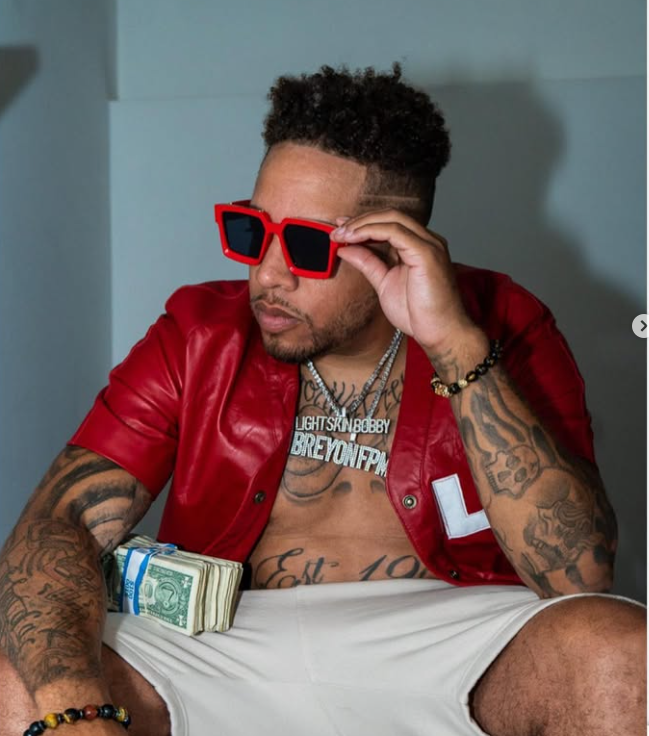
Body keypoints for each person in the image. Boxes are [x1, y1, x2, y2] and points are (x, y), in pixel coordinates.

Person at [0, 64, 645, 736]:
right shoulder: (200, 334)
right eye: (252, 231)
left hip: (450, 637)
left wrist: (454, 345)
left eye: (306, 245)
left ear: (393, 245)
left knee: (622, 655)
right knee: (21, 679)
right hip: (224, 640)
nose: (267, 275)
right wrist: (76, 712)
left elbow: (576, 575)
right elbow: (59, 526)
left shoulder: (502, 322)